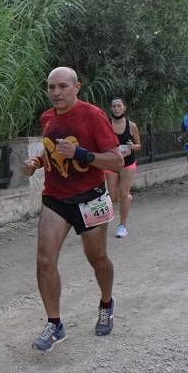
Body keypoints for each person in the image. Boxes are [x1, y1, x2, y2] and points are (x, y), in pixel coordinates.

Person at [20, 67, 124, 351]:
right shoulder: (48, 119)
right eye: (51, 87)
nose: (56, 93)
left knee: (97, 259)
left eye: (63, 86)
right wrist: (38, 163)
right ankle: (55, 324)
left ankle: (106, 303)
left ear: (77, 87)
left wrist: (80, 154)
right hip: (55, 199)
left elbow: (116, 161)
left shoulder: (93, 116)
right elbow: (52, 150)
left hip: (90, 199)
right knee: (44, 260)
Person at [104, 96, 140, 238]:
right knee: (113, 196)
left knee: (123, 193)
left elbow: (139, 145)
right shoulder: (105, 124)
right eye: (114, 106)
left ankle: (122, 226)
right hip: (111, 163)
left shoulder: (131, 126)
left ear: (124, 108)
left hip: (128, 162)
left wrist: (132, 146)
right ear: (111, 109)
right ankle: (127, 198)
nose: (117, 108)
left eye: (119, 106)